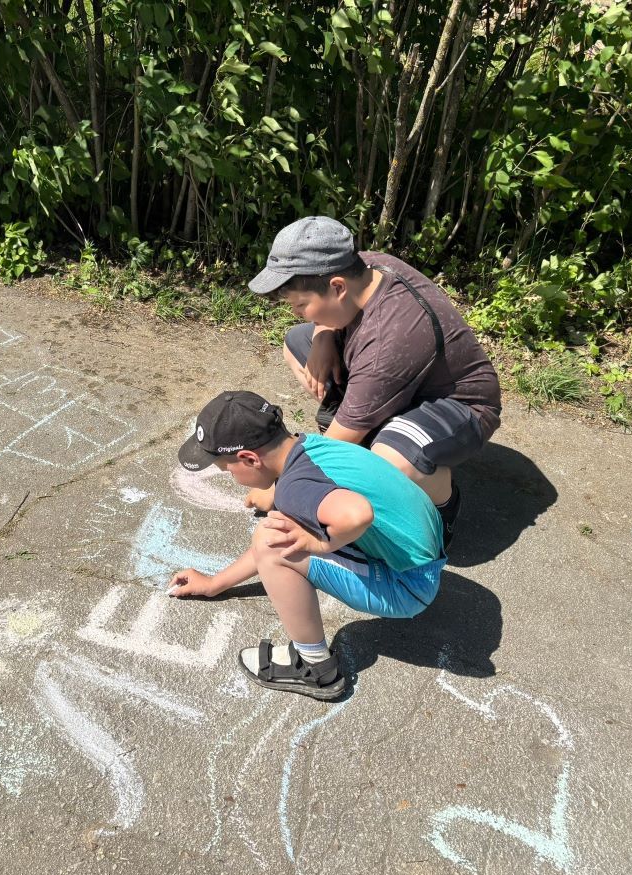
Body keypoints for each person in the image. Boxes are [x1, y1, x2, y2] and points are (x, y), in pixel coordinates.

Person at [167, 390, 445, 701]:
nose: (228, 474)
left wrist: (322, 543)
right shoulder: (308, 447)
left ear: (249, 459)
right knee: (276, 535)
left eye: (225, 467)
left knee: (272, 543)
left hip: (408, 586)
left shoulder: (295, 488)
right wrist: (216, 583)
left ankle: (314, 668)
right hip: (421, 556)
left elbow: (357, 514)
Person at [245, 216, 502, 547]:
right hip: (400, 380)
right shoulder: (364, 264)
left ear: (337, 286)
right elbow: (323, 329)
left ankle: (442, 503)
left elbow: (337, 444)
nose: (300, 314)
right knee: (298, 344)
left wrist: (278, 488)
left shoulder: (389, 343)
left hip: (461, 407)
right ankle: (370, 420)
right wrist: (323, 335)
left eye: (301, 305)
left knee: (387, 458)